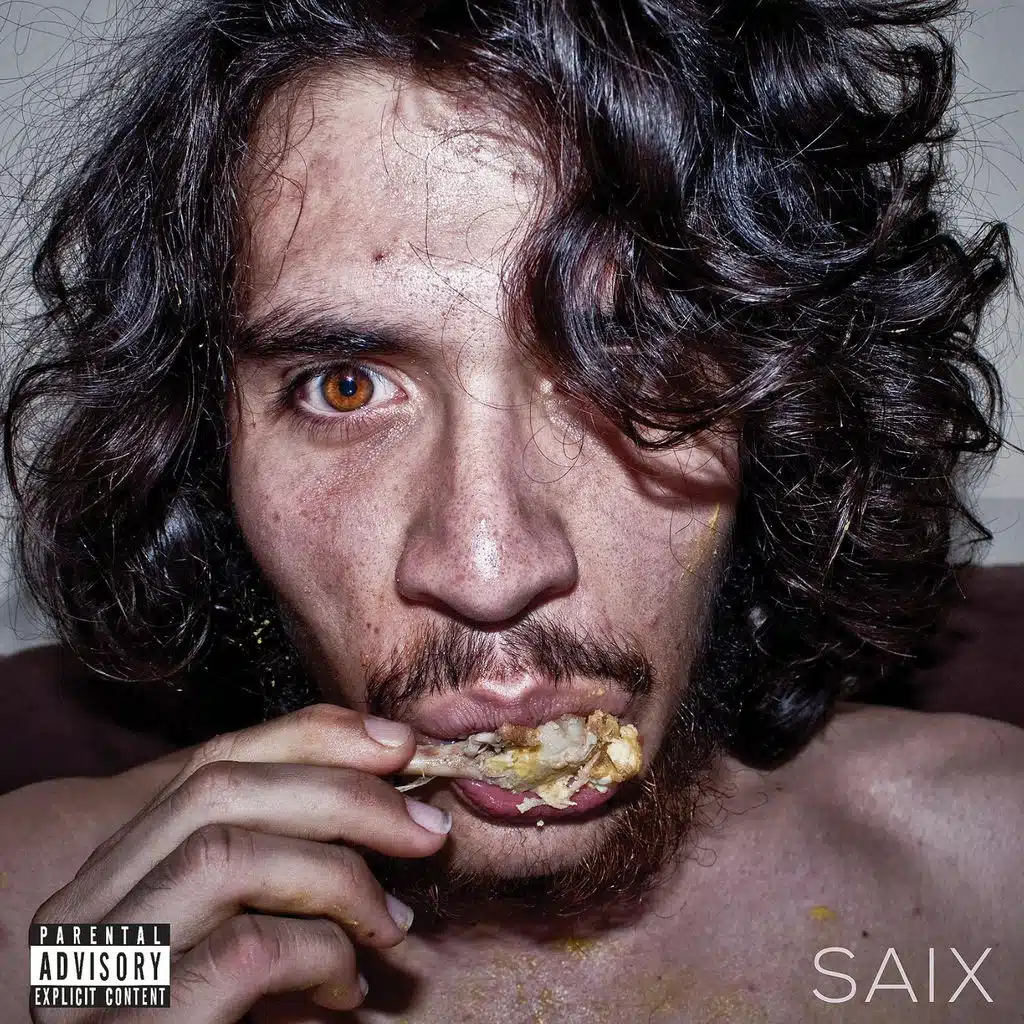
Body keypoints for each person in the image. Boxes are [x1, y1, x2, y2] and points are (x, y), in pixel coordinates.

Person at [0, 0, 1021, 1020]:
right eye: (345, 387)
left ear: (782, 406)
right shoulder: (46, 931)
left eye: (627, 360)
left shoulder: (993, 881)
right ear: (202, 450)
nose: (488, 569)